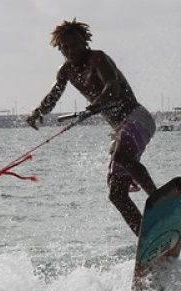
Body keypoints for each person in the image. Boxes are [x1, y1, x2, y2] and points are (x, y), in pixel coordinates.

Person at [26, 19, 157, 236]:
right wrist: (38, 112)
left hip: (136, 117)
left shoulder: (98, 58)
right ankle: (146, 237)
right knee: (116, 194)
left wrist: (95, 105)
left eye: (75, 45)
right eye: (65, 47)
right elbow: (54, 95)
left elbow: (112, 86)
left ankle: (159, 198)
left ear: (84, 43)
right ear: (60, 49)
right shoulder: (66, 71)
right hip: (119, 128)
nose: (71, 51)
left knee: (122, 156)